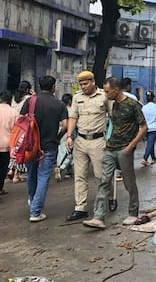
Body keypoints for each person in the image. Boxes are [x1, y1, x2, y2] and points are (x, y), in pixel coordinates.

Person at [83, 76, 147, 229]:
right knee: (104, 181)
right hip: (110, 148)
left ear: (116, 90)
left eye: (107, 92)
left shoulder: (132, 105)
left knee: (129, 182)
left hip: (124, 150)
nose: (105, 95)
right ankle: (98, 217)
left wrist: (130, 147)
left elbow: (144, 127)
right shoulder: (113, 104)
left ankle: (133, 213)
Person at [65, 71, 113, 222]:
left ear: (93, 81)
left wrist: (113, 138)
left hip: (98, 141)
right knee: (80, 176)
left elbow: (113, 116)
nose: (83, 87)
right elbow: (73, 117)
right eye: (81, 84)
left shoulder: (104, 96)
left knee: (101, 175)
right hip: (80, 140)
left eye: (86, 83)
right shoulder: (77, 97)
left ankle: (109, 198)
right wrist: (68, 136)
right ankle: (80, 208)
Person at [22, 75, 68, 222]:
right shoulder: (59, 104)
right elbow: (66, 126)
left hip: (30, 145)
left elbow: (20, 121)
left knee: (31, 174)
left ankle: (33, 200)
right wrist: (58, 137)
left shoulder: (30, 101)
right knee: (43, 177)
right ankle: (35, 212)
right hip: (49, 146)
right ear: (53, 87)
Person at [7, 80, 33, 182]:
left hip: (14, 125)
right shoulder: (28, 98)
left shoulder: (14, 97)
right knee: (20, 148)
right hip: (23, 125)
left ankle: (10, 169)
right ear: (28, 89)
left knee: (13, 148)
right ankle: (16, 175)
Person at [56, 94, 75, 180]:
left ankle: (69, 171)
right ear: (70, 101)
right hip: (68, 133)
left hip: (60, 131)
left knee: (62, 151)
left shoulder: (59, 109)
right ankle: (60, 168)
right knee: (69, 152)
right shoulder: (71, 110)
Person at [141, 91, 156, 166]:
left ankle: (153, 157)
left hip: (146, 128)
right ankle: (145, 158)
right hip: (155, 128)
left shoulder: (143, 107)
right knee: (150, 143)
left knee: (150, 142)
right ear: (153, 98)